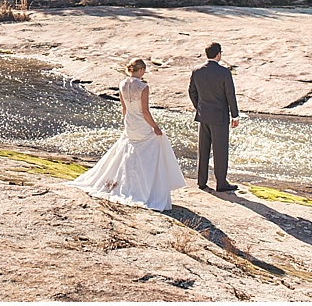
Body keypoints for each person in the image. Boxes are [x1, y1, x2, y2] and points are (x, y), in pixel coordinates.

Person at [68, 58, 186, 211]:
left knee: (131, 150)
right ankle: (149, 188)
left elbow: (124, 109)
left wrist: (126, 123)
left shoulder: (122, 84)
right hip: (141, 124)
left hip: (130, 123)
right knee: (155, 145)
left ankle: (129, 184)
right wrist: (155, 127)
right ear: (141, 70)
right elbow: (145, 111)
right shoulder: (143, 87)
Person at [188, 42, 240, 192]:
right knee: (220, 150)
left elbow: (192, 91)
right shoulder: (224, 72)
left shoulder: (197, 71)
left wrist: (199, 107)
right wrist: (234, 115)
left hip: (203, 115)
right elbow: (230, 94)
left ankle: (201, 181)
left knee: (203, 149)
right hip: (220, 116)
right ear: (219, 54)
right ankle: (221, 183)